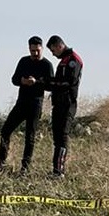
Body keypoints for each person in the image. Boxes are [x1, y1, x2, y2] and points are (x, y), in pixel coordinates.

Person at [0, 36, 54, 173]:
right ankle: (0, 162)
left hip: (36, 104)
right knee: (5, 130)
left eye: (37, 51)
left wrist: (37, 82)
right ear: (29, 48)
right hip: (21, 102)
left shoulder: (47, 65)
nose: (34, 53)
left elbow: (51, 85)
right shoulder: (24, 61)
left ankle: (25, 168)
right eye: (32, 50)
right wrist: (22, 81)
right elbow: (14, 79)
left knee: (30, 137)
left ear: (42, 49)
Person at [36, 35, 83, 177]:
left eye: (53, 50)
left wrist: (48, 84)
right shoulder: (64, 60)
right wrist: (44, 82)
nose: (52, 54)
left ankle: (59, 171)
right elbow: (57, 81)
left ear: (59, 46)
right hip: (58, 104)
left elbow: (68, 83)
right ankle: (56, 170)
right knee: (57, 137)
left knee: (62, 136)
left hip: (68, 104)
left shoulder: (73, 60)